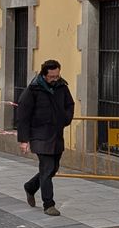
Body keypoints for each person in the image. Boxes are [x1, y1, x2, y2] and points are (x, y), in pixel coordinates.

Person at [15, 59, 75, 216]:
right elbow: (23, 116)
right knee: (47, 168)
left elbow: (70, 104)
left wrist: (65, 118)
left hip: (56, 134)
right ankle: (49, 204)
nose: (55, 79)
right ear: (44, 74)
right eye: (52, 77)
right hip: (39, 135)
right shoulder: (33, 90)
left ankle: (30, 186)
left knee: (53, 168)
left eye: (57, 75)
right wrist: (24, 140)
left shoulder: (62, 86)